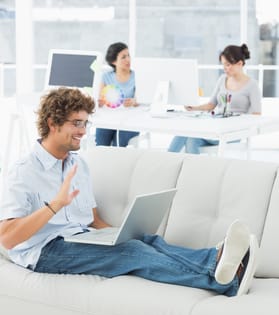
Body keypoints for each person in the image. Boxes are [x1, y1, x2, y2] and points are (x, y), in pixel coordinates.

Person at [0, 87, 258, 297]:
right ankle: (224, 280)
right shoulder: (24, 171)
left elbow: (93, 220)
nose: (83, 131)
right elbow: (8, 239)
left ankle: (216, 259)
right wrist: (55, 205)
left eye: (86, 123)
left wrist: (119, 233)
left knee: (145, 241)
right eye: (76, 123)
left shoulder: (78, 165)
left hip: (80, 237)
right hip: (45, 252)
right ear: (53, 123)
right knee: (133, 253)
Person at [168, 44, 262, 154]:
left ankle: (166, 162)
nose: (225, 69)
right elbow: (211, 105)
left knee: (188, 134)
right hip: (216, 125)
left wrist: (238, 120)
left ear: (240, 64)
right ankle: (188, 168)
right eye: (223, 65)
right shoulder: (222, 79)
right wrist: (194, 107)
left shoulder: (252, 85)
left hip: (233, 132)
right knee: (190, 137)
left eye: (228, 65)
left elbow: (256, 114)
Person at [96, 42, 139, 147]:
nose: (128, 59)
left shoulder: (136, 76)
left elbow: (141, 99)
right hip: (109, 119)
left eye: (128, 55)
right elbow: (100, 99)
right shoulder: (106, 76)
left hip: (130, 120)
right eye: (123, 57)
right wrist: (100, 102)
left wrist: (134, 101)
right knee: (101, 142)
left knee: (119, 143)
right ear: (113, 61)